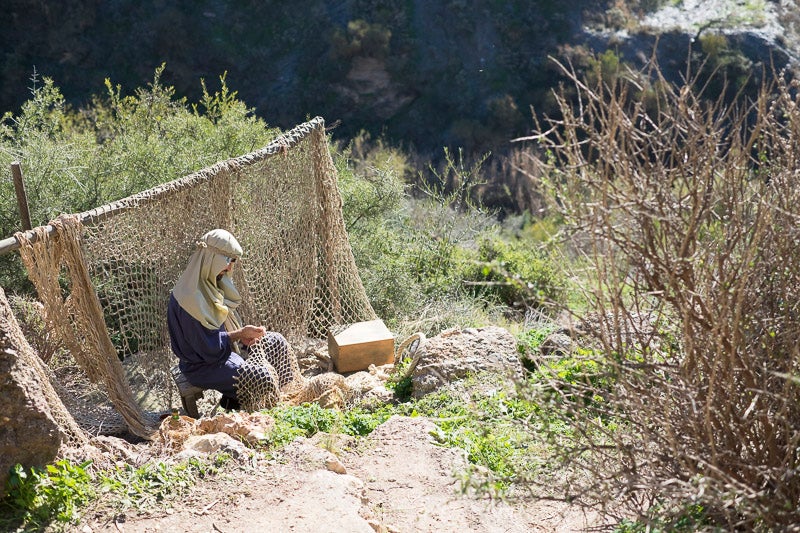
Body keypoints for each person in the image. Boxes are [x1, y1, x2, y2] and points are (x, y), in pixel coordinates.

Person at [167, 228, 288, 411]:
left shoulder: (210, 282)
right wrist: (239, 335)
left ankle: (272, 397)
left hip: (220, 352)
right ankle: (252, 406)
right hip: (202, 366)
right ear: (211, 259)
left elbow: (216, 335)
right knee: (259, 376)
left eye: (233, 261)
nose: (230, 267)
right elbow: (210, 351)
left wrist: (243, 336)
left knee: (275, 341)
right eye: (227, 261)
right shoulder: (189, 299)